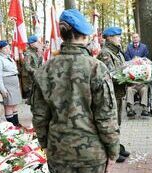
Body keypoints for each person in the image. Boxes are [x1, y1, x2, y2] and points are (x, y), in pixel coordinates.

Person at [31, 9, 120, 173]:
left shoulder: (44, 70)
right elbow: (106, 116)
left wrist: (44, 143)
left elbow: (39, 116)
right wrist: (113, 150)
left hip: (58, 152)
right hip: (91, 155)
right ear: (85, 35)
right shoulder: (96, 68)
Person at [97, 26, 130, 163]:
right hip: (111, 94)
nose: (120, 38)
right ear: (109, 38)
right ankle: (113, 151)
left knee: (117, 123)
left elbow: (122, 68)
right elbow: (110, 75)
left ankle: (117, 146)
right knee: (112, 123)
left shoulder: (117, 52)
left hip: (118, 92)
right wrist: (129, 76)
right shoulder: (105, 53)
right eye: (117, 36)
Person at [0, 40, 22, 126]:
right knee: (9, 105)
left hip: (14, 84)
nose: (8, 49)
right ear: (0, 49)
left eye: (9, 47)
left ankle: (17, 124)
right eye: (5, 48)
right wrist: (2, 89)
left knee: (14, 105)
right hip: (7, 84)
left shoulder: (9, 58)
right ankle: (11, 126)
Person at [21, 35, 43, 103]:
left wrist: (40, 55)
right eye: (36, 42)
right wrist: (36, 71)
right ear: (31, 44)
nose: (37, 44)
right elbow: (27, 67)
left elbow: (38, 65)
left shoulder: (35, 52)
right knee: (32, 98)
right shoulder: (28, 53)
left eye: (36, 42)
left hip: (35, 77)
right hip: (30, 79)